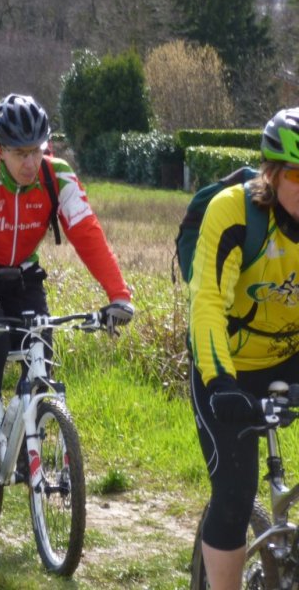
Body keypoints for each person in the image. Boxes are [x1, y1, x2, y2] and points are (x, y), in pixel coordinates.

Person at [0, 93, 134, 488]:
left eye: (37, 152)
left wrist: (119, 295)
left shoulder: (56, 177)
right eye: (20, 154)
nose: (30, 163)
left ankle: (33, 449)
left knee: (41, 342)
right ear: (1, 149)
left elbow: (87, 234)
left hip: (23, 275)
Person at [190, 107, 299, 589]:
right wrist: (220, 383)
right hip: (228, 367)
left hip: (290, 356)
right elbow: (208, 301)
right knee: (234, 494)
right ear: (271, 175)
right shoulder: (236, 212)